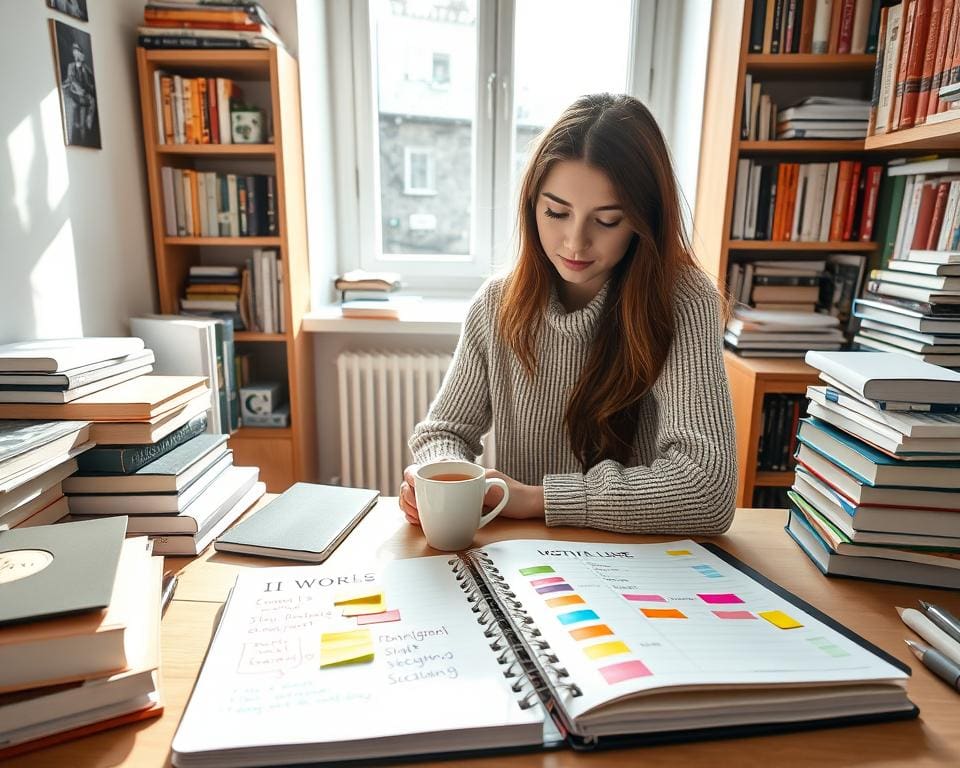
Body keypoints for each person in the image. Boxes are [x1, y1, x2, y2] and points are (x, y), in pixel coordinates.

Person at [399, 93, 737, 535]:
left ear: (643, 219)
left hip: (641, 560)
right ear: (532, 204)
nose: (575, 242)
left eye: (608, 220)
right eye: (557, 212)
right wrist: (440, 475)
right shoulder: (497, 303)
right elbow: (443, 432)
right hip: (525, 557)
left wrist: (539, 500)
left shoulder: (684, 300)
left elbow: (708, 492)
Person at [62, 40, 96, 145]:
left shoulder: (85, 68)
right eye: (74, 51)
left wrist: (83, 67)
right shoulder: (71, 66)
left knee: (84, 122)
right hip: (76, 93)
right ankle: (79, 136)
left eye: (77, 50)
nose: (76, 53)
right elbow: (71, 79)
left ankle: (84, 137)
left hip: (84, 96)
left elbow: (90, 81)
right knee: (78, 118)